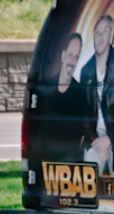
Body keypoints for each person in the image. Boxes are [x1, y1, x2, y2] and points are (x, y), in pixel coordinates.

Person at [79, 11, 114, 172]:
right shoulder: (86, 70)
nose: (100, 37)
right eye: (97, 33)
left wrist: (110, 138)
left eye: (105, 32)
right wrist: (96, 140)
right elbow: (84, 113)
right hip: (95, 139)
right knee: (88, 181)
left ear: (111, 35)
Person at [40, 30, 93, 163]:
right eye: (70, 55)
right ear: (63, 56)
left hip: (71, 163)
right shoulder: (46, 89)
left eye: (76, 57)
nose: (72, 61)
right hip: (47, 161)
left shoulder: (80, 94)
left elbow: (87, 131)